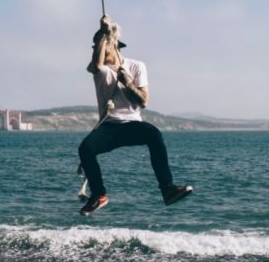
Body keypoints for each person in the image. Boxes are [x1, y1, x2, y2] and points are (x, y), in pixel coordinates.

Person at [78, 15, 193, 216]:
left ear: (115, 46)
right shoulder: (99, 68)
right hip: (109, 126)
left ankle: (167, 189)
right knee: (85, 149)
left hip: (131, 124)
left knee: (154, 135)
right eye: (97, 47)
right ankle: (99, 194)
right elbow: (96, 66)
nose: (100, 51)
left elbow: (144, 101)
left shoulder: (136, 66)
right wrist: (103, 33)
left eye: (103, 45)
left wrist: (127, 82)